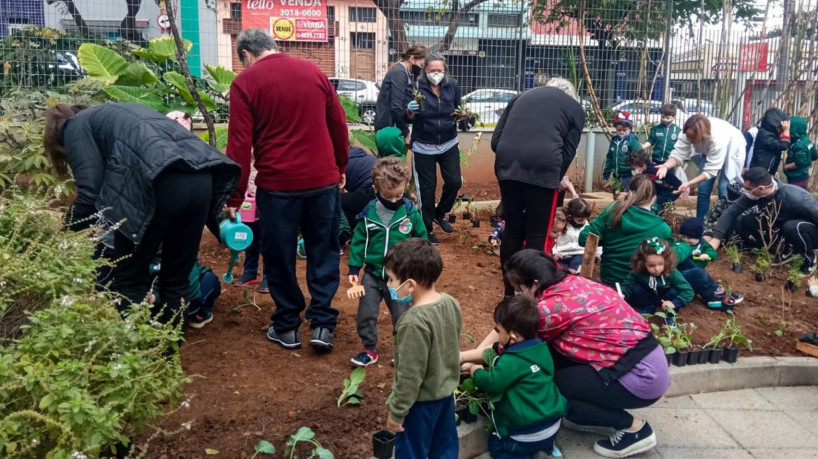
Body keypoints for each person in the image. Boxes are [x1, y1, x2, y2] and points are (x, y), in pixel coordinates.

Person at [44, 103, 240, 327]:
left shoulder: (74, 126)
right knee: (175, 282)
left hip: (159, 185)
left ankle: (137, 352)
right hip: (201, 179)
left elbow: (89, 192)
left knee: (128, 282)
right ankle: (167, 357)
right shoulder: (120, 114)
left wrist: (63, 233)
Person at [461, 250, 669, 459]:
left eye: (518, 290)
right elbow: (506, 326)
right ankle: (590, 414)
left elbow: (508, 332)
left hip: (641, 377)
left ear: (534, 284)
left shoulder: (548, 309)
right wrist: (473, 354)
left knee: (555, 389)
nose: (517, 295)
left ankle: (634, 428)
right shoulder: (572, 282)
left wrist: (464, 359)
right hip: (648, 359)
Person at [226, 29, 349, 351]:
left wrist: (235, 196)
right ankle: (322, 325)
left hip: (278, 187)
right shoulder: (313, 71)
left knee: (279, 256)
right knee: (322, 251)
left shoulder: (245, 83)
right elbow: (338, 123)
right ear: (273, 46)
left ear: (246, 55)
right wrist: (340, 167)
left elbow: (238, 144)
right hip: (322, 182)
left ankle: (287, 327)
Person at [492, 77, 586, 295]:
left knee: (513, 230)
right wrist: (552, 176)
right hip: (545, 166)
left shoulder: (520, 98)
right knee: (537, 233)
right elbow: (568, 152)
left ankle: (509, 292)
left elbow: (496, 141)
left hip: (507, 164)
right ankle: (529, 292)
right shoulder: (574, 108)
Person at [385, 238, 461, 459]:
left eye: (391, 280)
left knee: (411, 451)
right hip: (446, 396)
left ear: (410, 284)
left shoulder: (412, 322)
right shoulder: (450, 302)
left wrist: (397, 413)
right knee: (444, 448)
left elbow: (410, 376)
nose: (389, 286)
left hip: (420, 405)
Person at [463, 295, 566, 459]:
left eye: (498, 330)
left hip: (525, 433)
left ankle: (524, 454)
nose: (496, 333)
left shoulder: (511, 361)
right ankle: (543, 449)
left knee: (497, 446)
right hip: (553, 423)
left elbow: (492, 383)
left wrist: (476, 371)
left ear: (513, 337)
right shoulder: (541, 348)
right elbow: (501, 348)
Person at [348, 158, 427, 367]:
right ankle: (369, 349)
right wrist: (354, 268)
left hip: (400, 278)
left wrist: (419, 268)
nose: (393, 201)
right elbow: (359, 241)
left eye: (398, 196)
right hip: (372, 275)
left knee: (402, 316)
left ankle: (402, 351)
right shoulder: (369, 212)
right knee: (366, 313)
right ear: (376, 189)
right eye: (387, 196)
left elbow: (421, 240)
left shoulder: (410, 213)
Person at [706, 167, 818, 276]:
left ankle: (809, 261)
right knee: (750, 220)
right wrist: (716, 239)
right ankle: (785, 250)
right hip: (786, 226)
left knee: (792, 227)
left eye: (747, 188)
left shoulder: (796, 198)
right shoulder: (756, 194)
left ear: (761, 189)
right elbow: (731, 212)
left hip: (807, 230)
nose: (744, 190)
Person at [406, 53, 465, 245]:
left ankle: (440, 214)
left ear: (445, 70)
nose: (436, 73)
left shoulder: (452, 86)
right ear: (425, 71)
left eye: (439, 70)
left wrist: (463, 116)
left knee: (455, 181)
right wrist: (410, 110)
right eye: (432, 70)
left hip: (448, 142)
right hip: (424, 146)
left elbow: (457, 110)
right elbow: (407, 116)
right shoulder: (418, 88)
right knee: (426, 189)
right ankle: (427, 227)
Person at [579, 175, 673, 287]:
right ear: (654, 198)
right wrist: (686, 247)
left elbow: (584, 238)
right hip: (642, 287)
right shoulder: (662, 228)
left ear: (630, 193)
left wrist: (608, 238)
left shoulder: (612, 212)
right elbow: (671, 257)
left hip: (610, 282)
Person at [655, 114, 746, 219]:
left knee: (724, 191)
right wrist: (665, 166)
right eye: (688, 137)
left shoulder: (717, 140)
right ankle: (700, 224)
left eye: (692, 138)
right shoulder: (687, 133)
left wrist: (688, 183)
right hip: (708, 150)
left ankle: (726, 226)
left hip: (732, 148)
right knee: (703, 189)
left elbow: (710, 171)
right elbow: (678, 154)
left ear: (701, 135)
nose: (689, 140)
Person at [673, 218, 743, 310]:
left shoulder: (702, 244)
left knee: (702, 276)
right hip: (684, 274)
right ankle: (713, 295)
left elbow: (712, 252)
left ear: (698, 236)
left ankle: (714, 294)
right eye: (683, 237)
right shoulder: (679, 244)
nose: (686, 240)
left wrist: (706, 255)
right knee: (698, 273)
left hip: (698, 274)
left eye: (689, 238)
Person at [621, 238, 694, 320]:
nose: (657, 268)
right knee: (637, 289)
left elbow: (688, 291)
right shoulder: (638, 271)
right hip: (649, 296)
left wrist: (674, 303)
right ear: (643, 263)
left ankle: (670, 316)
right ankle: (647, 309)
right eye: (651, 265)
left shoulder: (671, 272)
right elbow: (627, 284)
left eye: (660, 264)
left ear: (666, 261)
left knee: (674, 291)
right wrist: (623, 293)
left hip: (666, 298)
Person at [374, 45, 429, 141]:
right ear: (412, 59)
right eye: (421, 65)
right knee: (393, 156)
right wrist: (406, 132)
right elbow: (396, 107)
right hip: (389, 128)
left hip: (392, 125)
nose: (422, 70)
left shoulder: (407, 74)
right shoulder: (399, 73)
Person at [149, 259, 222, 329]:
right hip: (188, 307)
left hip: (156, 309)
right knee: (211, 277)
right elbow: (204, 271)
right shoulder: (184, 257)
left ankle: (154, 318)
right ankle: (201, 315)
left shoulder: (147, 263)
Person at [626, 149, 682, 214]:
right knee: (652, 203)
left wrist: (680, 189)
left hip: (671, 191)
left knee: (657, 206)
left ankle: (656, 216)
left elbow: (676, 182)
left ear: (642, 164)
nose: (634, 170)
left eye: (634, 168)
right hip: (660, 190)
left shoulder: (655, 170)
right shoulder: (644, 172)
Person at [341, 146, 378, 232]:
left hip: (369, 190)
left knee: (335, 202)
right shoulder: (361, 156)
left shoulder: (341, 163)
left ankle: (347, 233)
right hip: (381, 188)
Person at [603, 112, 642, 190]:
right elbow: (610, 157)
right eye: (619, 130)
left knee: (625, 196)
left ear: (630, 129)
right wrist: (607, 172)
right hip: (616, 175)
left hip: (628, 175)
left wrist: (636, 173)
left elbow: (639, 158)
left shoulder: (633, 142)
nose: (621, 132)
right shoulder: (614, 141)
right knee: (616, 195)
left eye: (624, 130)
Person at [748, 108, 790, 174]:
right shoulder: (765, 135)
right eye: (780, 127)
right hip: (760, 172)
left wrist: (774, 171)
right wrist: (786, 130)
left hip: (766, 171)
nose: (782, 130)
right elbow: (783, 145)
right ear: (772, 125)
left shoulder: (771, 134)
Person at [783, 116, 817, 189]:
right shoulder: (806, 140)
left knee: (794, 196)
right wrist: (807, 160)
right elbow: (814, 155)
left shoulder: (799, 145)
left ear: (793, 129)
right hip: (804, 175)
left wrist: (786, 167)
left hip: (796, 177)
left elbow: (800, 162)